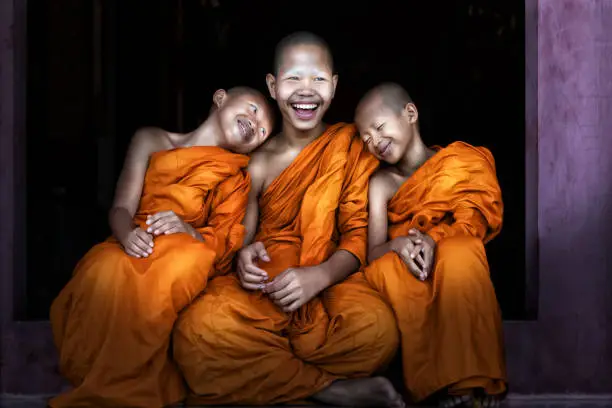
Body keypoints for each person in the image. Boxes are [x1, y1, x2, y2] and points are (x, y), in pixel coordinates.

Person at [173, 32, 404, 408]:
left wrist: (320, 276)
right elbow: (240, 238)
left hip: (331, 283)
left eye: (317, 79)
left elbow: (358, 236)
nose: (306, 91)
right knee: (197, 330)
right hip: (268, 288)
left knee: (379, 331)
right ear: (274, 86)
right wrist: (245, 259)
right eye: (294, 78)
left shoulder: (349, 145)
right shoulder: (258, 160)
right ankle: (330, 390)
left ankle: (268, 378)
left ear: (333, 87)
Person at [49, 87, 274, 408]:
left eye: (263, 129)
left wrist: (187, 231)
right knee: (103, 268)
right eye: (253, 108)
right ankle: (113, 383)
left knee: (188, 259)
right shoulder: (151, 139)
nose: (256, 123)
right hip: (135, 240)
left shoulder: (235, 175)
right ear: (220, 97)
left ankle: (119, 390)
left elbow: (223, 243)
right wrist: (127, 236)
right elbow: (121, 208)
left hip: (186, 249)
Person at [355, 82, 507, 408]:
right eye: (366, 138)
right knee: (388, 270)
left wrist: (434, 239)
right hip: (403, 261)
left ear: (410, 113)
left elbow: (476, 220)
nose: (375, 142)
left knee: (463, 252)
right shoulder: (381, 184)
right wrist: (398, 246)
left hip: (450, 251)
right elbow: (373, 252)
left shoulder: (459, 162)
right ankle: (438, 389)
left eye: (379, 127)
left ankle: (474, 383)